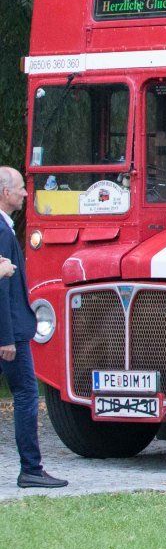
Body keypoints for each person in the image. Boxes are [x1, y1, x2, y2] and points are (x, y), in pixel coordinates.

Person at [1, 167, 65, 489]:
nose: (26, 194)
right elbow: (2, 291)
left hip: (12, 330)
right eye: (20, 189)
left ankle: (32, 467)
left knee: (25, 394)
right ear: (5, 193)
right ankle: (31, 468)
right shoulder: (1, 230)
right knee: (27, 395)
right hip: (11, 334)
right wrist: (7, 337)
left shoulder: (5, 228)